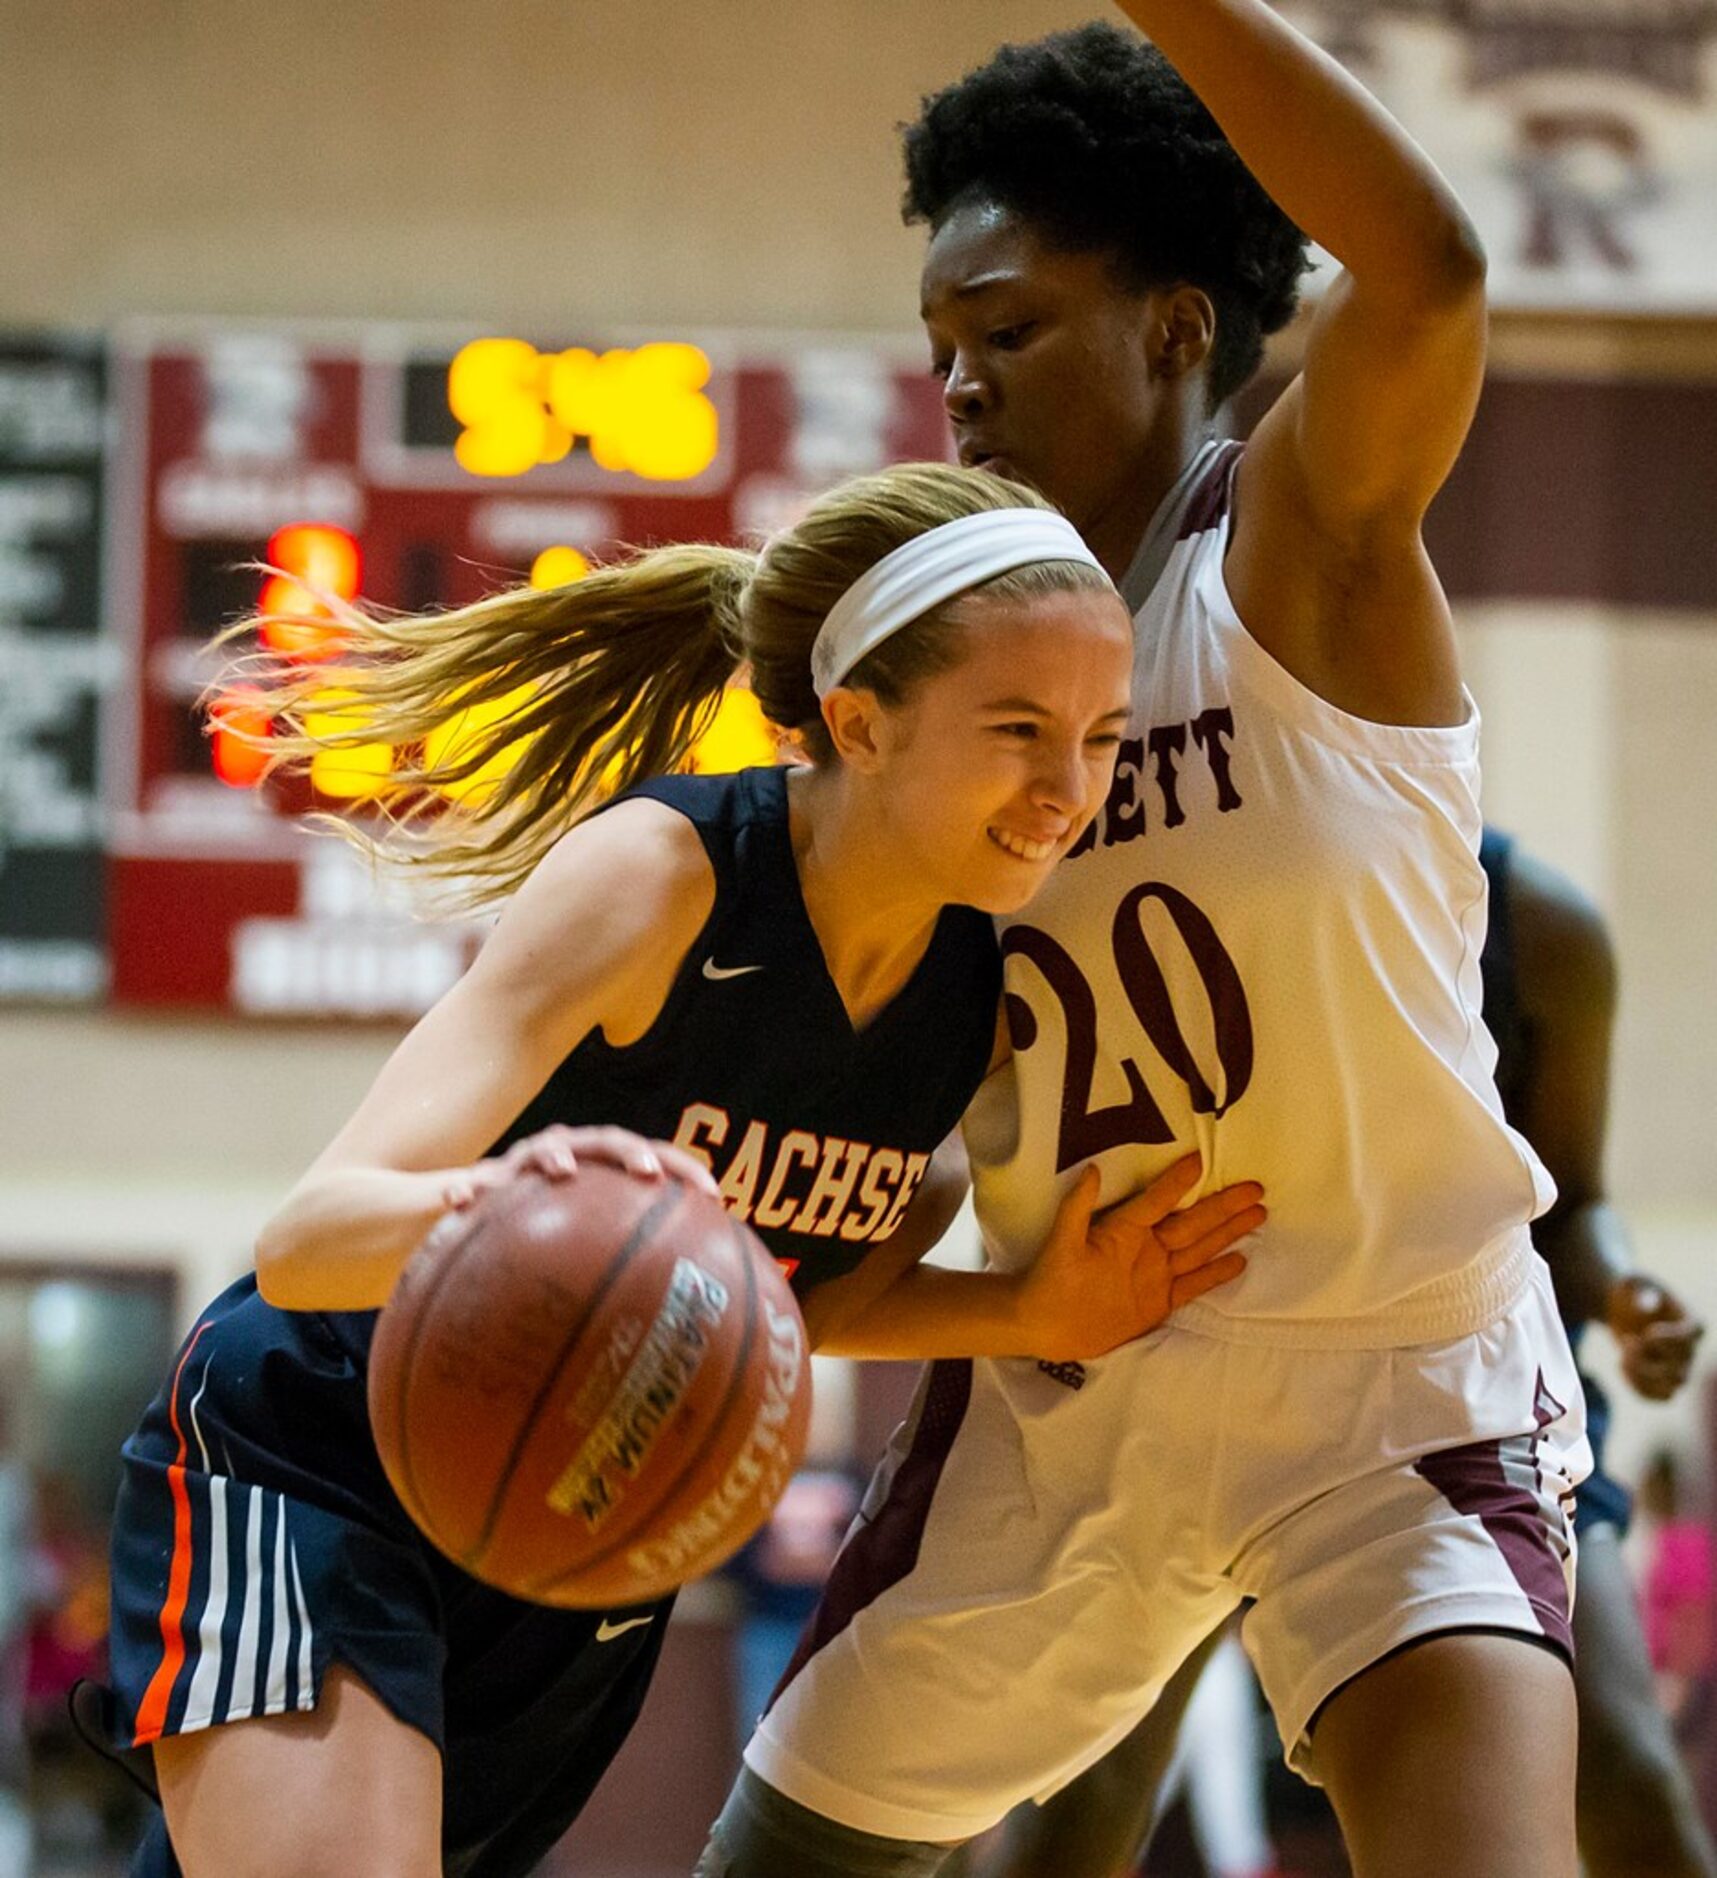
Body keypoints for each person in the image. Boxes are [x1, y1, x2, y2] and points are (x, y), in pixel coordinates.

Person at [83, 461, 1265, 1878]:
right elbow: (310, 1238)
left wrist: (1024, 1309)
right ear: (858, 722)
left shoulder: (973, 995)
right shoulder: (665, 877)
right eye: (1018, 729)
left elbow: (782, 1298)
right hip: (326, 1451)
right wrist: (541, 1221)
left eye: (1096, 736)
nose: (1065, 788)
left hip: (579, 1532)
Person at [698, 9, 1593, 1877]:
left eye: (1006, 329)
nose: (956, 383)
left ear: (1178, 326)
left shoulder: (1289, 541)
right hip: (1068, 1392)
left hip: (1390, 1382)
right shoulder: (952, 684)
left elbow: (1428, 265)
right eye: (938, 348)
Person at [961, 830, 1717, 1878]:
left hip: (1470, 1394)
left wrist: (1630, 1295)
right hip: (1208, 1361)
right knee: (1085, 1799)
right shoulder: (1223, 857)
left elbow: (1573, 1202)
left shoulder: (1542, 928)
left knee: (1627, 1776)